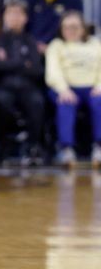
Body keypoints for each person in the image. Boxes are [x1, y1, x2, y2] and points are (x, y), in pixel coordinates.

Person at [0, 0, 46, 166]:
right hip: (4, 86)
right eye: (11, 13)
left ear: (25, 18)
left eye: (18, 13)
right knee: (0, 101)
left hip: (28, 86)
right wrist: (23, 63)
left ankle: (33, 146)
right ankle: (3, 145)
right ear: (4, 17)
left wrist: (9, 62)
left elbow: (37, 69)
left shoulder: (31, 40)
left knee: (37, 102)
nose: (15, 17)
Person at [46, 11, 101, 167]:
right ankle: (66, 149)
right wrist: (63, 89)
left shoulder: (95, 44)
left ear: (83, 28)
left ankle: (99, 147)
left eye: (75, 27)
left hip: (92, 87)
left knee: (99, 102)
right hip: (65, 87)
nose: (71, 31)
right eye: (67, 27)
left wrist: (99, 86)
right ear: (61, 29)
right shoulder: (56, 45)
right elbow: (53, 71)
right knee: (66, 103)